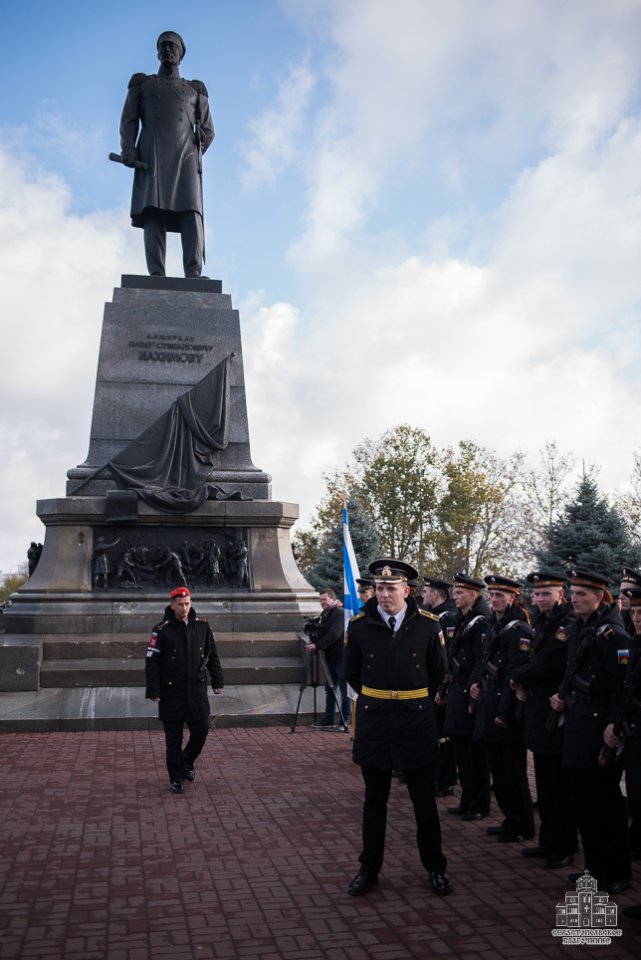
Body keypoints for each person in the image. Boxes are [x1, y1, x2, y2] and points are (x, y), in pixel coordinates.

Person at [343, 558, 451, 897]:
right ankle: (369, 868)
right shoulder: (359, 625)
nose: (384, 593)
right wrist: (378, 698)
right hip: (375, 719)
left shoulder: (428, 625)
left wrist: (413, 699)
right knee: (374, 801)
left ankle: (435, 867)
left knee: (423, 801)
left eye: (391, 588)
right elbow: (352, 673)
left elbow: (438, 672)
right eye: (379, 587)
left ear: (408, 590)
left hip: (415, 720)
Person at [549, 568, 631, 894]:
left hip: (598, 729)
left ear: (599, 597)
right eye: (573, 592)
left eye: (582, 593)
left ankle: (616, 871)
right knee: (585, 803)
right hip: (578, 724)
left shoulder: (613, 635)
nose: (575, 598)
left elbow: (619, 689)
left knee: (606, 805)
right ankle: (594, 869)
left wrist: (613, 728)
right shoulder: (580, 628)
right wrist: (562, 697)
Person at [119, 31, 215, 278]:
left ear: (180, 54)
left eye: (172, 46)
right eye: (163, 46)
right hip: (152, 155)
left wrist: (198, 146)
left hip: (186, 157)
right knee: (153, 211)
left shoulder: (195, 89)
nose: (167, 50)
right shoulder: (143, 84)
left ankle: (193, 271)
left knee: (191, 212)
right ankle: (156, 273)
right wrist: (128, 148)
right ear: (157, 52)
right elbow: (129, 120)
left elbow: (208, 129)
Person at [510, 571, 578, 868]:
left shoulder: (567, 623)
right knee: (545, 784)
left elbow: (546, 662)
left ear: (560, 594)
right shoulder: (544, 620)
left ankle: (564, 846)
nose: (539, 599)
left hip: (555, 712)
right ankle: (548, 841)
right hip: (540, 710)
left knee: (558, 787)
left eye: (545, 594)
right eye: (536, 594)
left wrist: (517, 676)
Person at [470, 575, 535, 843]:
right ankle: (510, 819)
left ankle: (522, 823)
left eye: (500, 596)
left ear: (512, 598)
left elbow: (514, 674)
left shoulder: (519, 629)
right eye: (492, 595)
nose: (494, 600)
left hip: (505, 709)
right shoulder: (496, 624)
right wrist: (475, 684)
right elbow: (484, 660)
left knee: (513, 771)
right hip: (491, 701)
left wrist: (504, 713)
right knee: (498, 768)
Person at [145, 586, 223, 793]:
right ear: (172, 605)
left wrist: (217, 681)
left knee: (201, 731)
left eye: (187, 603)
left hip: (196, 690)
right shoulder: (161, 630)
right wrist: (153, 690)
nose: (184, 608)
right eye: (180, 604)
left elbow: (212, 656)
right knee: (173, 738)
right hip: (171, 692)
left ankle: (186, 761)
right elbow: (152, 662)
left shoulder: (202, 627)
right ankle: (176, 776)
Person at [441, 573, 491, 821]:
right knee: (462, 750)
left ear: (474, 594)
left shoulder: (481, 622)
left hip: (470, 693)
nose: (454, 596)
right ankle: (467, 799)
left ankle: (479, 803)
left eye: (460, 593)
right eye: (454, 592)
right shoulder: (463, 618)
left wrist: (472, 686)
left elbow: (480, 659)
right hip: (458, 690)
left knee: (474, 753)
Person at [423, 575, 458, 797]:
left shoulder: (445, 618)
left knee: (443, 736)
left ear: (435, 593)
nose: (423, 595)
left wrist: (440, 688)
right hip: (431, 682)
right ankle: (437, 776)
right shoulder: (433, 616)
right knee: (435, 733)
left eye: (426, 591)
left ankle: (445, 780)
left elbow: (445, 654)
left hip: (440, 686)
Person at [307, 588, 348, 729]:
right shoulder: (326, 613)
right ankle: (328, 718)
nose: (322, 602)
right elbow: (324, 632)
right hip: (330, 658)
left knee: (344, 691)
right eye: (321, 600)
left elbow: (334, 634)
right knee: (329, 689)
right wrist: (314, 639)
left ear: (332, 598)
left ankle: (344, 721)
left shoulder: (339, 613)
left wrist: (317, 645)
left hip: (341, 658)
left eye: (324, 599)